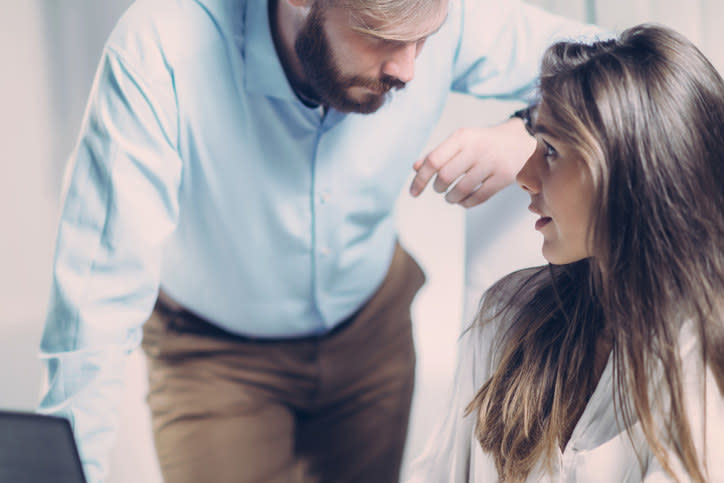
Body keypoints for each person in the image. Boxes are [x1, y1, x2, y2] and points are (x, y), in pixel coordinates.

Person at [36, 0, 601, 482]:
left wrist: (529, 126)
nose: (408, 70)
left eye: (425, 40)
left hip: (372, 332)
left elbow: (619, 55)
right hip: (213, 358)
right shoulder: (160, 46)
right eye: (383, 37)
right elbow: (97, 296)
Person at [406, 23, 724, 482]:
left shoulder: (704, 369)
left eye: (550, 150)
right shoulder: (507, 314)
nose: (524, 175)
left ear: (631, 174)